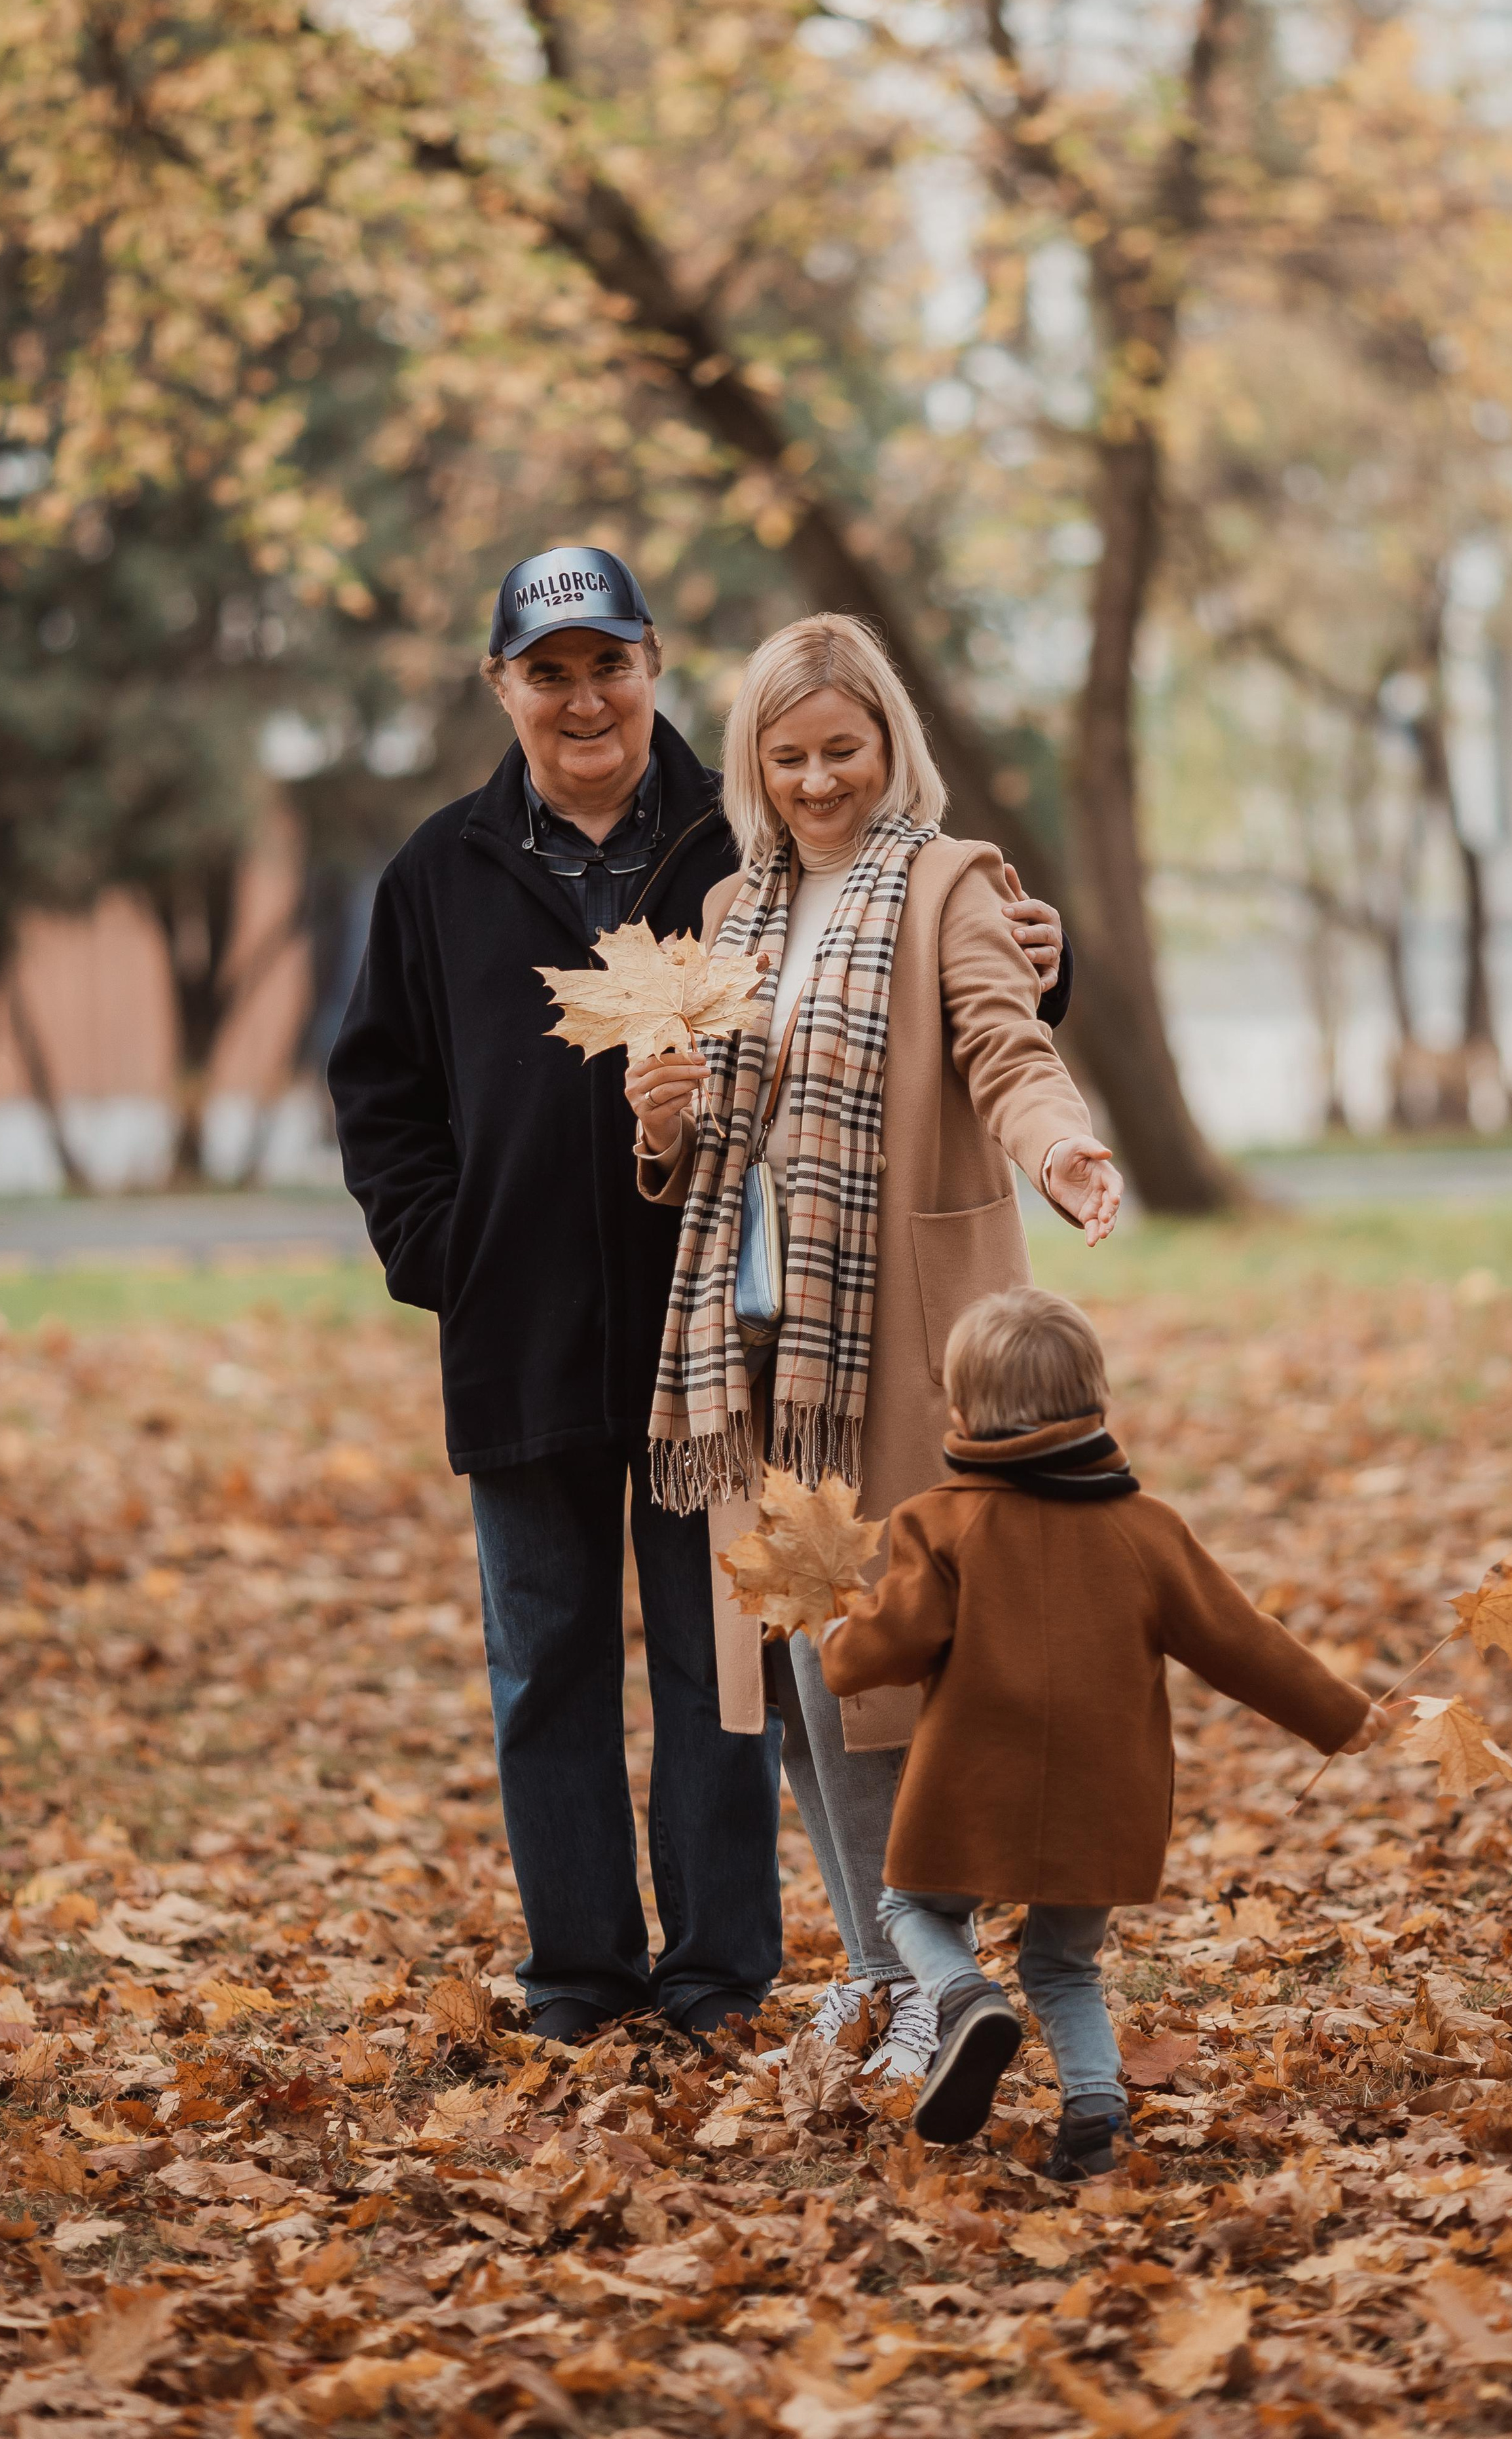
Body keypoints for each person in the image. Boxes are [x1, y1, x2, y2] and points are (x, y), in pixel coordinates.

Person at [328, 551, 1069, 2048]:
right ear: (505, 688)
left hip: (716, 1345)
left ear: (653, 664)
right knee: (542, 1666)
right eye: (548, 671)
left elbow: (913, 965)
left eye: (608, 662)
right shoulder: (438, 869)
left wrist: (1043, 973)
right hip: (519, 1329)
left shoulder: (740, 844)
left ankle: (718, 1978)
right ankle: (581, 1981)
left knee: (723, 1670)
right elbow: (379, 1091)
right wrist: (442, 1252)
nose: (582, 696)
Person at [627, 612, 1121, 2079]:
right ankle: (892, 1975)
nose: (818, 780)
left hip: (897, 1351)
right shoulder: (726, 920)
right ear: (754, 766)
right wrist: (660, 1115)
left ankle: (932, 1971)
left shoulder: (951, 883)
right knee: (798, 1676)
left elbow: (1004, 1044)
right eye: (788, 758)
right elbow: (699, 1136)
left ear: (886, 745)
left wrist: (1064, 1149)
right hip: (758, 1357)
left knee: (892, 1670)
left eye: (841, 750)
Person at [821, 1284, 1395, 2164]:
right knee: (1063, 1967)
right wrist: (1342, 1715)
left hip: (971, 1788)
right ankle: (1094, 2118)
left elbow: (888, 1646)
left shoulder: (940, 1523)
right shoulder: (1148, 1529)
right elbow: (1241, 1643)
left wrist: (836, 1644)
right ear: (1099, 1402)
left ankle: (964, 1997)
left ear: (963, 1410)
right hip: (1102, 1801)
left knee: (909, 1906)